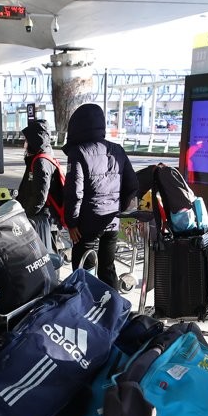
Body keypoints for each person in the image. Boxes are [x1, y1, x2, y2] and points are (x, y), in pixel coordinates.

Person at [61, 103, 138, 288]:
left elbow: (74, 191)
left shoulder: (78, 152)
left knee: (83, 272)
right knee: (107, 269)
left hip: (86, 225)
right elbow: (133, 184)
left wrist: (71, 223)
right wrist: (117, 208)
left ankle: (85, 311)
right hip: (111, 221)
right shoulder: (117, 149)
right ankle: (112, 312)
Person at [16, 119, 63, 254]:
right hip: (42, 216)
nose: (25, 144)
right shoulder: (40, 157)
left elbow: (39, 196)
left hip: (42, 218)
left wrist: (25, 215)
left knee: (45, 254)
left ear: (34, 140)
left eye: (27, 140)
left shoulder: (41, 162)